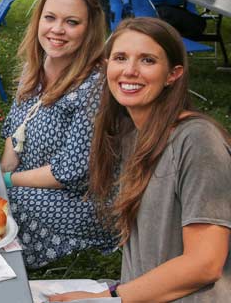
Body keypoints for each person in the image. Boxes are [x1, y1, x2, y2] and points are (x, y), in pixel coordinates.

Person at [49, 18, 230, 302]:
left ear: (173, 74)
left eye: (147, 60)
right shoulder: (131, 133)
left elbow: (205, 264)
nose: (130, 71)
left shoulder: (197, 141)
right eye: (120, 58)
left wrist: (110, 299)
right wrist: (111, 293)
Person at [0, 0, 116, 269]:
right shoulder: (36, 65)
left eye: (72, 22)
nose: (57, 30)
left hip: (79, 200)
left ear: (90, 29)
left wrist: (6, 182)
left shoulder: (96, 86)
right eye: (50, 18)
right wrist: (0, 172)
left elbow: (71, 172)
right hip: (28, 183)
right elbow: (14, 130)